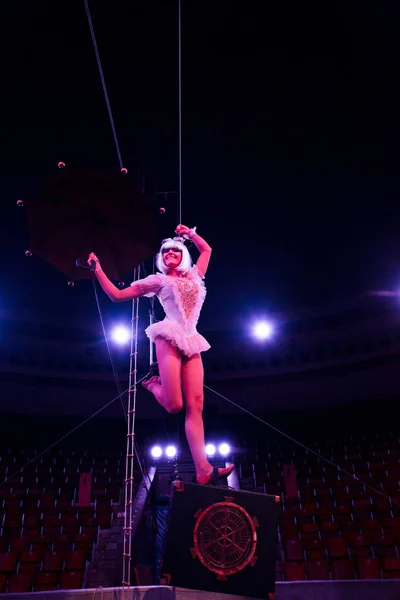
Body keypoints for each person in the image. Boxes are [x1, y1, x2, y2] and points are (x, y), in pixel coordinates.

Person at [88, 224, 234, 485]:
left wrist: (189, 233)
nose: (169, 254)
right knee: (174, 405)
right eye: (165, 252)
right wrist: (98, 269)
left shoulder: (196, 276)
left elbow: (207, 249)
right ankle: (155, 386)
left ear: (182, 254)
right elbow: (117, 296)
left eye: (174, 251)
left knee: (196, 405)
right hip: (168, 336)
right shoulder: (158, 280)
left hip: (192, 338)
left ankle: (203, 469)